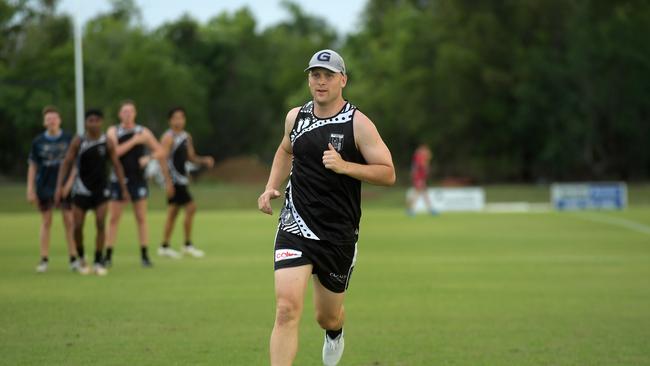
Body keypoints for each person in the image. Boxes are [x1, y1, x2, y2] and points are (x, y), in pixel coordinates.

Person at [257, 49, 395, 366]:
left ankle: (335, 333)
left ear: (342, 80)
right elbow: (284, 150)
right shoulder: (296, 117)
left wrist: (346, 166)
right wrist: (270, 186)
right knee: (286, 308)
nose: (320, 82)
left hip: (338, 235)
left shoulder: (358, 123)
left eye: (328, 76)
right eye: (315, 75)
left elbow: (388, 172)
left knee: (327, 318)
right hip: (295, 226)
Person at [55, 109, 129, 276]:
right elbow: (66, 163)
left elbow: (117, 165)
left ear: (101, 122)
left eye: (97, 120)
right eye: (90, 120)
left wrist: (124, 188)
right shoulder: (78, 141)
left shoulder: (107, 142)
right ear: (86, 123)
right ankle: (81, 258)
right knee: (78, 226)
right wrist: (59, 186)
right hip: (81, 189)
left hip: (101, 189)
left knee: (101, 223)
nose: (93, 123)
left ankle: (98, 260)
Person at [104, 100, 173, 268]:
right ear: (120, 114)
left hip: (137, 179)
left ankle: (144, 255)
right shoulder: (114, 131)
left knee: (141, 218)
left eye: (131, 111)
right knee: (113, 218)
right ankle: (107, 255)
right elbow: (115, 152)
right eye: (124, 112)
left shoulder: (144, 132)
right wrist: (134, 141)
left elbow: (161, 151)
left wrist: (149, 158)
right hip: (118, 179)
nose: (128, 115)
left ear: (135, 113)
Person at [26, 105, 83, 273]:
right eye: (48, 119)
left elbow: (75, 165)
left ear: (60, 120)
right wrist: (30, 189)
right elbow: (33, 166)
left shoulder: (69, 138)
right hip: (44, 186)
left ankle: (73, 258)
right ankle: (44, 259)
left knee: (69, 221)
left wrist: (69, 184)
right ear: (44, 122)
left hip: (65, 186)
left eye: (54, 118)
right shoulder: (38, 142)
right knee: (46, 221)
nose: (51, 121)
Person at [157, 107, 214, 259]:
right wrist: (167, 182)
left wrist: (204, 160)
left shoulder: (186, 137)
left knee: (173, 213)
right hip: (174, 181)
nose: (179, 121)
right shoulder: (168, 137)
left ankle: (164, 246)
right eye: (175, 118)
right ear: (170, 120)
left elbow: (191, 157)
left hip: (182, 180)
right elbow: (162, 159)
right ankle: (187, 245)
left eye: (181, 117)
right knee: (191, 207)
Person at [406, 144, 437, 215]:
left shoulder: (419, 157)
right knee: (418, 193)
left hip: (420, 177)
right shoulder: (420, 157)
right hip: (419, 178)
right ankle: (411, 209)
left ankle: (430, 209)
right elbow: (421, 167)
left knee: (423, 193)